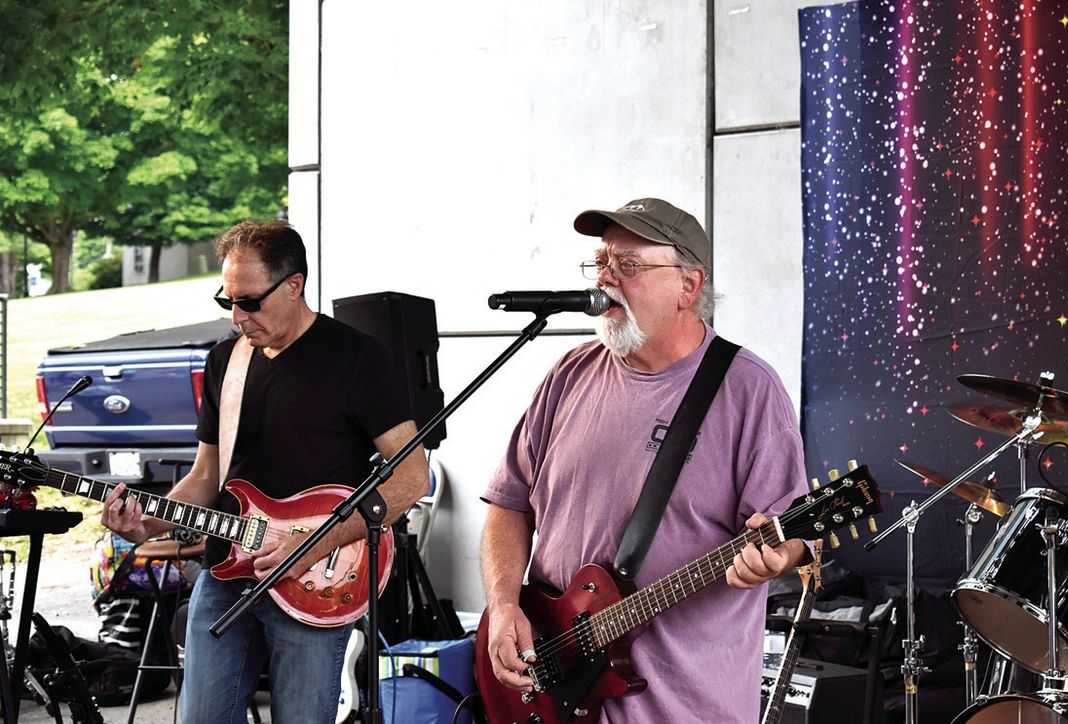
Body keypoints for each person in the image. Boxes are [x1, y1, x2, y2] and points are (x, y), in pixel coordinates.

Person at [480, 198, 810, 722]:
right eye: (602, 262)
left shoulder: (748, 389)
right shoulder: (569, 374)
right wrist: (503, 607)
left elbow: (794, 531)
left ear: (689, 286)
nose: (606, 278)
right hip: (554, 692)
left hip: (685, 707)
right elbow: (507, 502)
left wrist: (779, 553)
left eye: (628, 265)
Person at [101, 220, 429, 724]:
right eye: (227, 301)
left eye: (250, 302)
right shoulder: (224, 363)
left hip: (315, 578)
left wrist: (312, 544)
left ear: (293, 285)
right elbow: (207, 476)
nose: (238, 316)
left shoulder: (356, 357)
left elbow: (410, 479)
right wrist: (148, 524)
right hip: (226, 572)